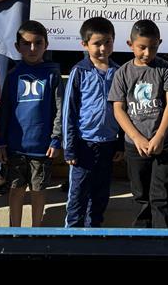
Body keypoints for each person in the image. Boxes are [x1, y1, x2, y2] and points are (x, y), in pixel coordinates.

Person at [109, 19, 168, 228]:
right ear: (130, 44)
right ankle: (142, 235)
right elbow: (118, 109)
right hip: (136, 146)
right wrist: (137, 138)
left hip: (165, 144)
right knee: (141, 194)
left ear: (160, 43)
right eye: (142, 47)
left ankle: (163, 241)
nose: (147, 53)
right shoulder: (122, 73)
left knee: (162, 195)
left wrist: (159, 137)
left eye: (153, 47)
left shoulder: (165, 69)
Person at [0, 20, 63, 227]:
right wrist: (1, 142)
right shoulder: (13, 75)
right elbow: (4, 110)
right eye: (26, 44)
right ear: (17, 47)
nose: (32, 49)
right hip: (16, 146)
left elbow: (60, 109)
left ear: (46, 45)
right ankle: (14, 230)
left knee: (38, 190)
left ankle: (36, 230)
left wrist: (56, 138)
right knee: (16, 189)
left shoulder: (52, 74)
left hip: (42, 147)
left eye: (38, 43)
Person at [62, 16, 124, 228]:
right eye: (96, 43)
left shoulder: (118, 72)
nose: (102, 48)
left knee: (100, 194)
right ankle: (72, 234)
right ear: (85, 44)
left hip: (108, 143)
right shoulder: (79, 71)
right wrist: (69, 147)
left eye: (107, 42)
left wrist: (120, 142)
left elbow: (123, 111)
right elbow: (69, 111)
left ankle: (94, 233)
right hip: (84, 143)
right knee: (78, 193)